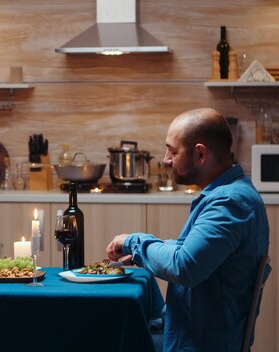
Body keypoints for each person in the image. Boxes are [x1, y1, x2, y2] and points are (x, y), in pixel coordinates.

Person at [106, 108, 270, 351]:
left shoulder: (229, 203)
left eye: (173, 151)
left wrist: (133, 242)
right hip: (194, 333)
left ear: (200, 154)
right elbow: (195, 253)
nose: (165, 159)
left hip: (199, 344)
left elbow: (185, 266)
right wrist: (143, 246)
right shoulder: (230, 193)